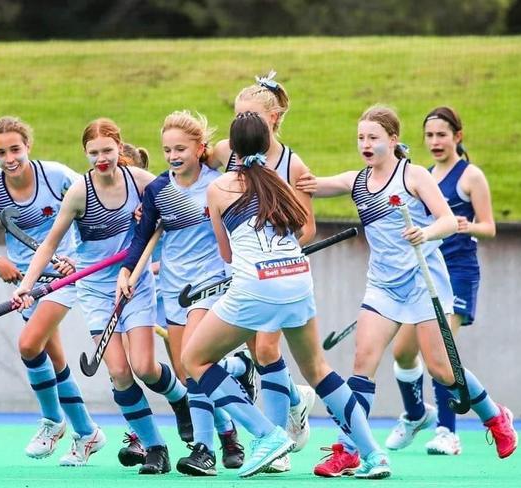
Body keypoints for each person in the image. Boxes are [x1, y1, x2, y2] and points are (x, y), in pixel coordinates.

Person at [297, 105, 517, 476]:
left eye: (373, 138)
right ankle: (350, 449)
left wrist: (426, 232)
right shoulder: (356, 181)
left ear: (393, 140)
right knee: (362, 363)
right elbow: (310, 183)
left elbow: (448, 220)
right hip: (382, 287)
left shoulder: (413, 176)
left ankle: (495, 418)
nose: (365, 144)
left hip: (423, 283)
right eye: (361, 138)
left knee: (442, 369)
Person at [179, 111, 390, 479]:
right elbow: (295, 231)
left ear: (233, 148)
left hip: (255, 287)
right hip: (297, 281)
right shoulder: (277, 180)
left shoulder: (219, 188)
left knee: (194, 359)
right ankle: (373, 455)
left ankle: (265, 434)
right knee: (318, 370)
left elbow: (226, 254)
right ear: (266, 143)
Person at [12, 117, 192, 475]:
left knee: (144, 366)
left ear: (119, 147)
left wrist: (155, 215)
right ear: (86, 154)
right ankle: (155, 447)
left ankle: (181, 400)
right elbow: (49, 243)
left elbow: (185, 213)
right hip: (96, 290)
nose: (101, 159)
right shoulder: (79, 191)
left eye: (107, 151)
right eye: (93, 153)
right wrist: (26, 286)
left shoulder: (142, 182)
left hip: (135, 283)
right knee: (120, 373)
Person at [0, 116, 104, 466]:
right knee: (54, 359)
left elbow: (96, 211)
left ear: (28, 146)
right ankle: (87, 434)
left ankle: (53, 423)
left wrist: (77, 258)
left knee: (28, 344)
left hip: (64, 279)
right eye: (0, 152)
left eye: (15, 149)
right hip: (27, 283)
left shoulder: (57, 176)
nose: (9, 158)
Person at [118, 110, 249, 476]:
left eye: (181, 149)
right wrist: (127, 271)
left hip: (211, 282)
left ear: (200, 149)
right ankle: (228, 429)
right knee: (186, 368)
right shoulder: (158, 190)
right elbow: (141, 239)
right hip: (175, 287)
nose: (174, 156)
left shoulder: (220, 184)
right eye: (167, 150)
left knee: (193, 365)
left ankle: (203, 450)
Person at [209, 71, 317, 471]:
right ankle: (294, 398)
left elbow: (307, 226)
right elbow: (199, 160)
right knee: (258, 350)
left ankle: (277, 444)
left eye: (249, 116)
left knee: (268, 349)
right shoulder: (228, 151)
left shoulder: (292, 163)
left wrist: (272, 248)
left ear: (273, 118)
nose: (240, 125)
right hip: (245, 274)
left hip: (279, 272)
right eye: (237, 116)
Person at [385, 107, 498, 456]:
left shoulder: (471, 176)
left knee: (441, 354)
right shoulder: (424, 176)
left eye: (442, 135)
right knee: (403, 352)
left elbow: (489, 227)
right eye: (429, 135)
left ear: (457, 137)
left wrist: (466, 225)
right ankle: (416, 414)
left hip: (459, 275)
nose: (435, 142)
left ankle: (448, 432)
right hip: (427, 275)